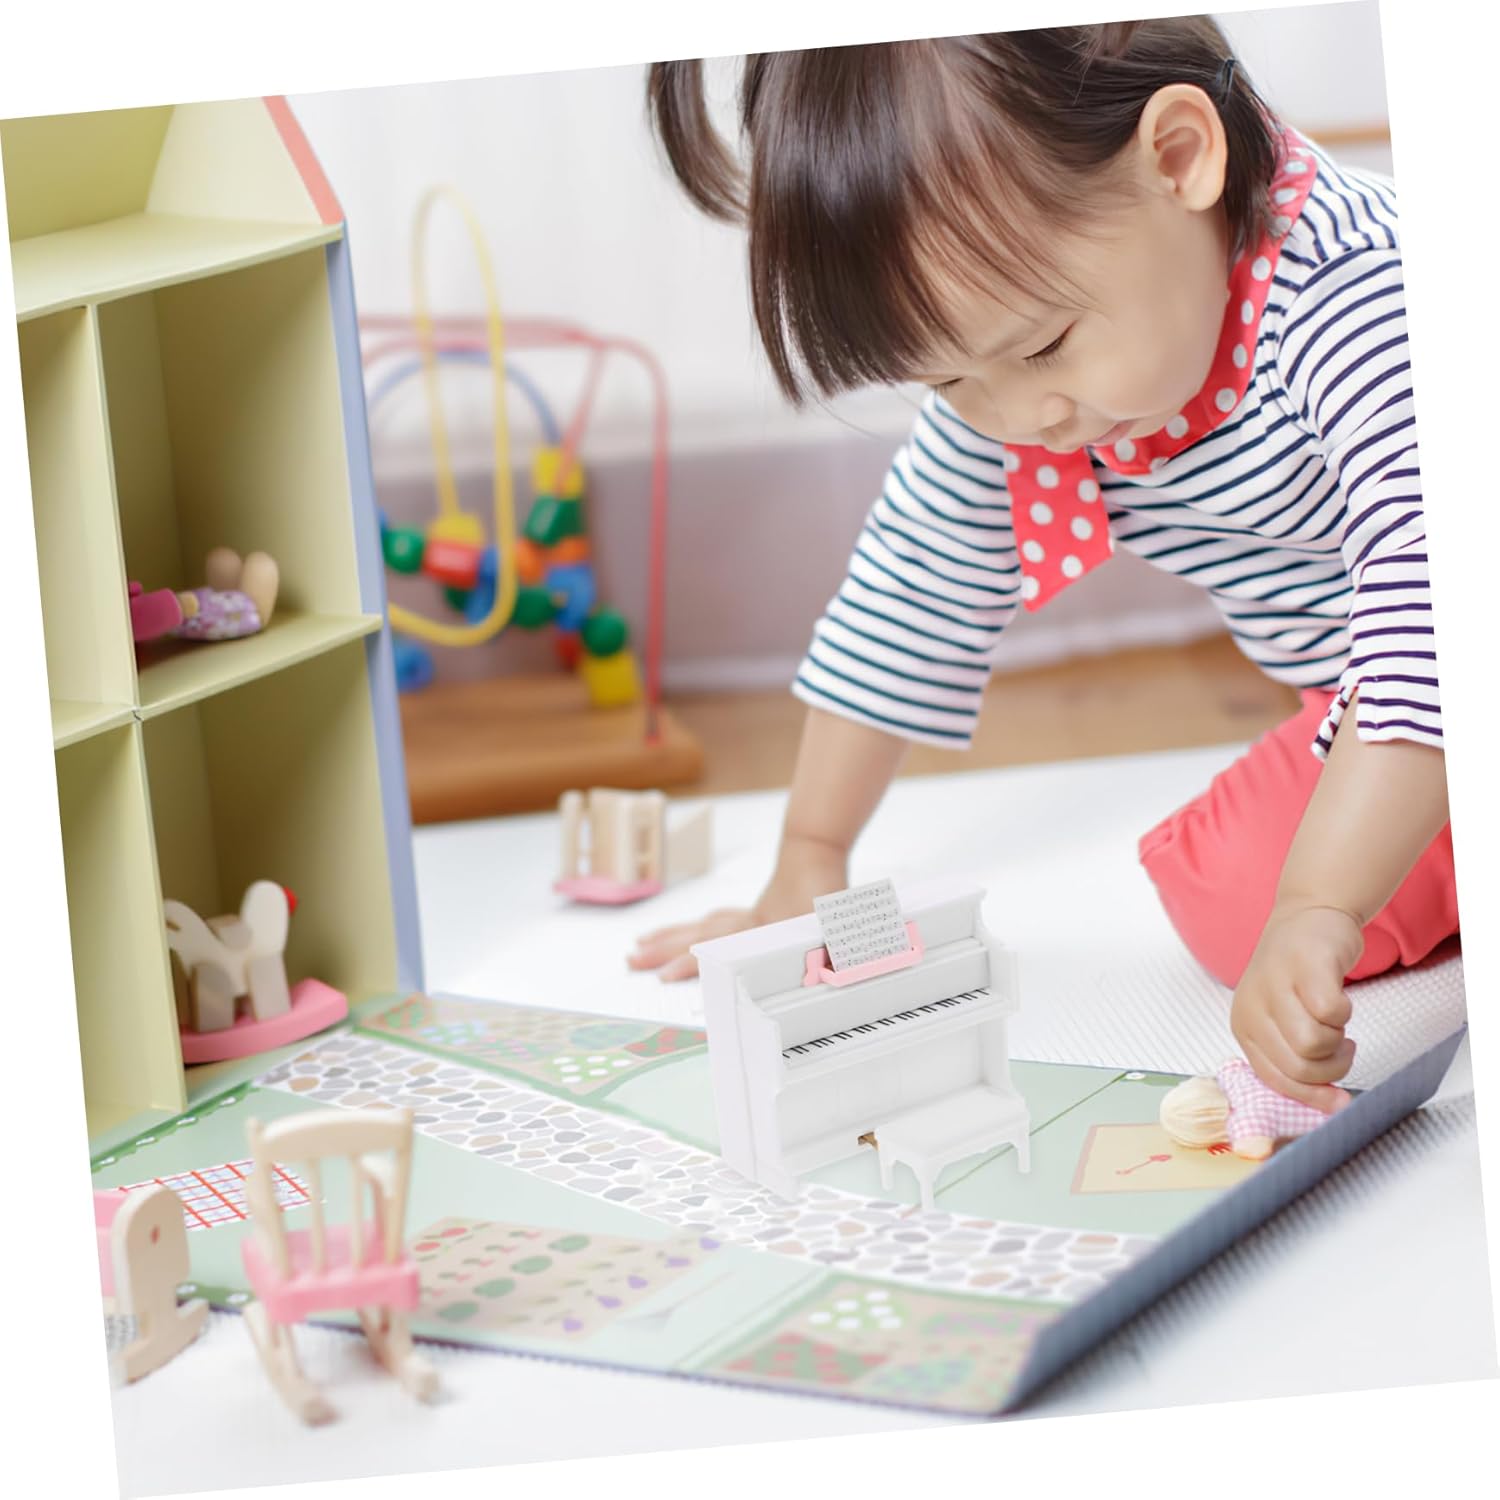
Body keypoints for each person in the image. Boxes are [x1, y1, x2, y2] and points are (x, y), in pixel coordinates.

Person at [630, 19, 1456, 1112]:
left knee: (1290, 895)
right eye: (947, 383)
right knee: (1223, 896)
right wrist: (809, 857)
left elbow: (1438, 618)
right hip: (1374, 704)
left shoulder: (1366, 300)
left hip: (1448, 647)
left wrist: (1321, 906)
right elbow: (909, 593)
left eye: (1045, 347)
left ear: (1179, 160)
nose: (1022, 419)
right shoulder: (1017, 384)